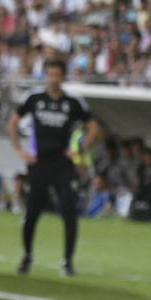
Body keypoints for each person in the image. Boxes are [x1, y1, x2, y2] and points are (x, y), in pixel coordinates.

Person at [7, 59, 98, 276]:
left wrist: (80, 149)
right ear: (45, 75)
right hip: (39, 164)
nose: (53, 80)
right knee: (31, 213)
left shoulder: (73, 101)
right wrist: (19, 150)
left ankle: (67, 261)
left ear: (63, 76)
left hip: (63, 165)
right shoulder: (34, 98)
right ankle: (27, 256)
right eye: (50, 75)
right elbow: (12, 122)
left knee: (69, 212)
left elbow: (93, 127)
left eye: (57, 75)